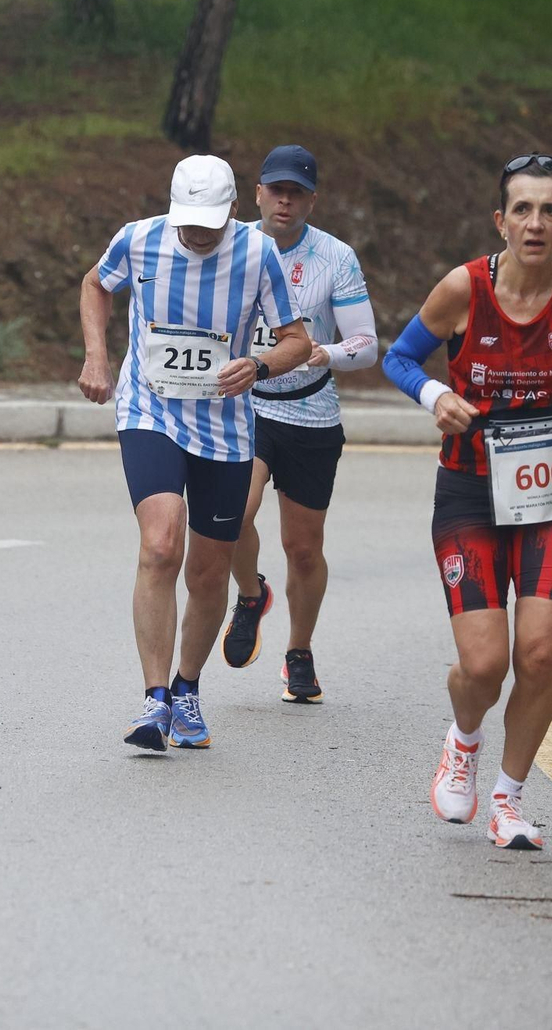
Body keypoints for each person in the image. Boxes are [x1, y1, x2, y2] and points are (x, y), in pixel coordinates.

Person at [381, 153, 552, 849]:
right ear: (500, 221)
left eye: (551, 211)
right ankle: (464, 739)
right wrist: (434, 394)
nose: (536, 223)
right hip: (470, 489)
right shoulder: (462, 289)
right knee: (484, 664)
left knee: (537, 656)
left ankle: (508, 799)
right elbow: (398, 358)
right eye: (523, 209)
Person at [78, 154, 312, 752]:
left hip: (224, 426)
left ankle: (186, 688)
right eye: (189, 219)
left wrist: (258, 365)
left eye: (210, 221)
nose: (199, 232)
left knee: (208, 572)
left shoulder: (259, 255)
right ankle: (155, 700)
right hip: (150, 409)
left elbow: (296, 341)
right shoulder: (138, 240)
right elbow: (94, 285)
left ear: (234, 211)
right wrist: (97, 358)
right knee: (161, 544)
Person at [218, 145, 379, 704]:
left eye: (297, 193)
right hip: (249, 403)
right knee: (234, 512)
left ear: (312, 200)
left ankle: (299, 651)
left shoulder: (336, 257)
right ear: (257, 192)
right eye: (276, 190)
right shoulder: (230, 243)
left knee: (303, 547)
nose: (284, 202)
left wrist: (324, 353)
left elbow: (367, 346)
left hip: (311, 411)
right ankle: (249, 593)